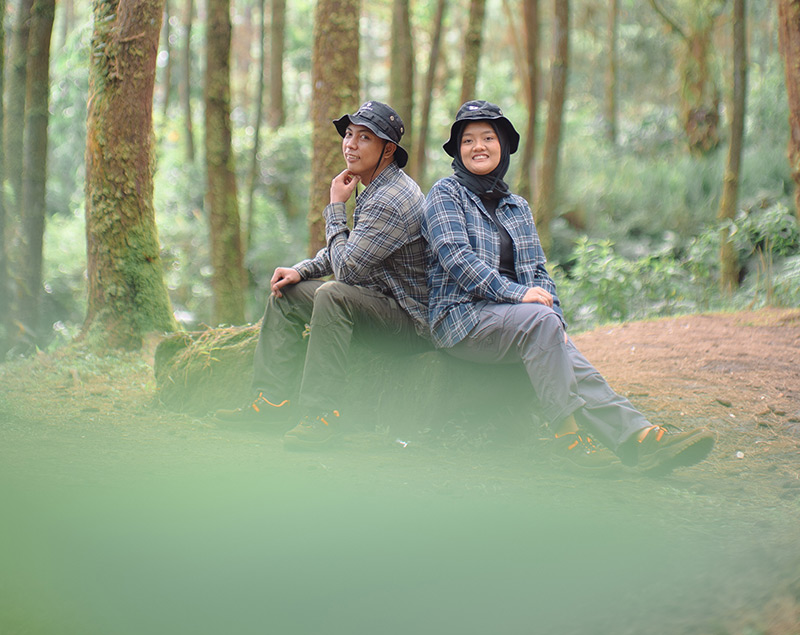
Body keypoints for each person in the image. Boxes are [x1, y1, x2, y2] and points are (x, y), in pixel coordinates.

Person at [422, 99, 716, 476]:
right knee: (540, 324)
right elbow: (457, 258)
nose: (478, 146)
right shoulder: (446, 194)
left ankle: (639, 439)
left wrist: (555, 320)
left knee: (559, 344)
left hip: (518, 321)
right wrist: (519, 296)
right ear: (458, 151)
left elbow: (538, 273)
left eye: (488, 138)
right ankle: (568, 439)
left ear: (504, 146)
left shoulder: (517, 207)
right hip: (462, 319)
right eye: (468, 140)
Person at [217, 101, 429, 449]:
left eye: (364, 138)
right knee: (287, 292)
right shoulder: (376, 187)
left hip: (408, 321)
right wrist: (300, 270)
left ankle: (321, 416)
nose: (350, 145)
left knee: (332, 294)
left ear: (388, 149)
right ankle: (270, 403)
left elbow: (346, 272)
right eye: (349, 135)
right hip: (377, 301)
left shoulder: (392, 199)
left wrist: (335, 207)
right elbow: (353, 251)